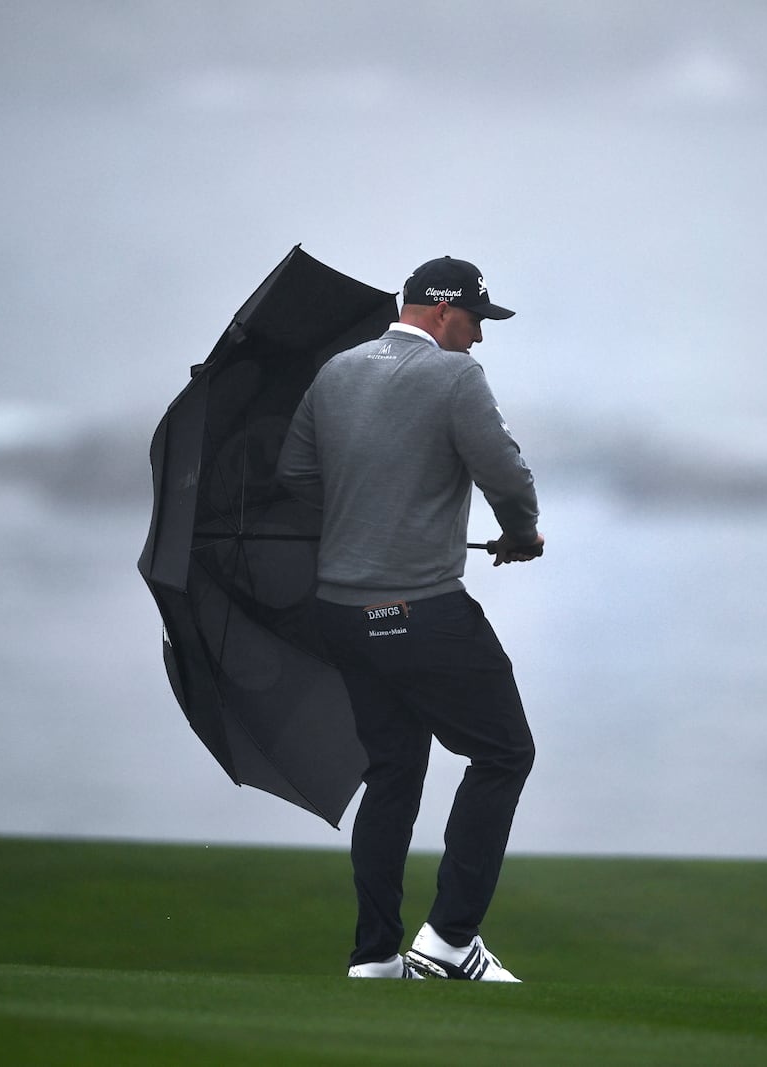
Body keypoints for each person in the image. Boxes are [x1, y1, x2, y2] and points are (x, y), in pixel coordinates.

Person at [277, 256, 545, 982]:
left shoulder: (336, 372)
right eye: (475, 322)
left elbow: (297, 478)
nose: (479, 339)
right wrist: (522, 534)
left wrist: (375, 499)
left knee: (394, 769)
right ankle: (452, 938)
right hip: (419, 611)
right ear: (438, 310)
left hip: (339, 614)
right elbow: (506, 476)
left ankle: (373, 956)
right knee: (503, 753)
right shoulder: (454, 377)